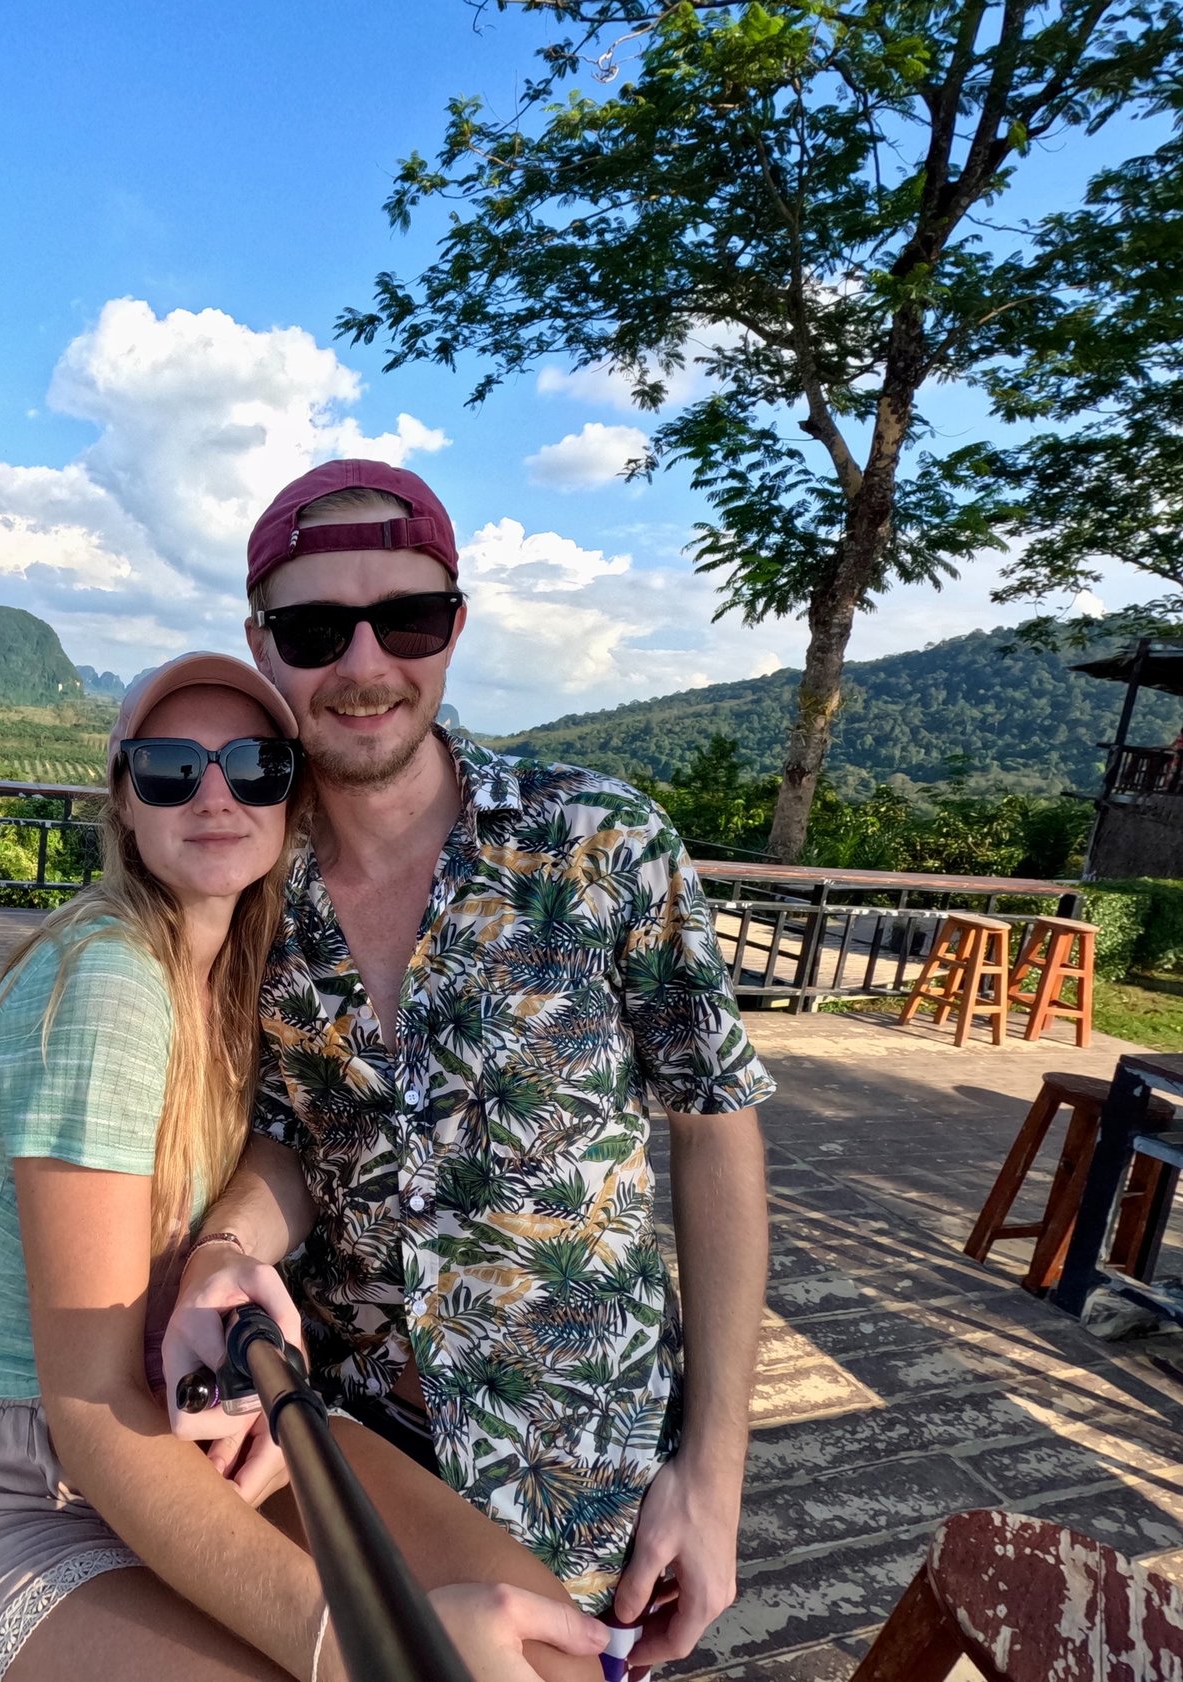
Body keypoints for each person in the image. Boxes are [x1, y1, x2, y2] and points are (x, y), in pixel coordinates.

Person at [0, 651, 611, 1682]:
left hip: (194, 1424)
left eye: (256, 766)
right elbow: (88, 1409)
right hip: (28, 1484)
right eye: (171, 768)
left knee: (541, 1648)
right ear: (124, 798)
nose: (216, 794)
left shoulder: (243, 971)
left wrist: (224, 1248)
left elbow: (284, 1153)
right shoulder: (108, 986)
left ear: (291, 796)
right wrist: (357, 1649)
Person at [164, 462, 776, 1671]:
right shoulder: (247, 882)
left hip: (587, 1467)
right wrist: (225, 1247)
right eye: (314, 629)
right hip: (342, 1450)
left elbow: (714, 1128)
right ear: (261, 642)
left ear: (454, 624)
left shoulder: (600, 842)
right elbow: (293, 1135)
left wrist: (714, 1470)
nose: (364, 664)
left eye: (406, 618)